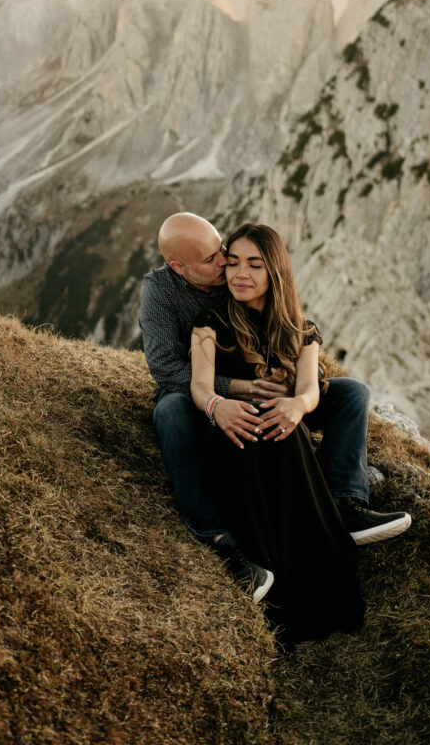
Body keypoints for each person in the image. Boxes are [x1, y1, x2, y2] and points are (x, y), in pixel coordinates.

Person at [139, 212, 410, 603]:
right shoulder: (164, 292)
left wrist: (296, 383)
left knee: (351, 394)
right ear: (179, 268)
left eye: (225, 253)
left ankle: (347, 504)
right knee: (170, 412)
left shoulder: (240, 273)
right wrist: (230, 393)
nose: (227, 266)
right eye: (217, 261)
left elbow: (288, 326)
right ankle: (215, 535)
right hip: (202, 390)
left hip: (270, 383)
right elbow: (166, 367)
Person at [190, 222, 366, 641]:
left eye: (254, 264)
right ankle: (273, 592)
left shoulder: (301, 329)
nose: (240, 274)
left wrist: (295, 406)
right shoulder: (210, 319)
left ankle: (320, 582)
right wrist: (219, 406)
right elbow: (199, 384)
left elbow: (309, 390)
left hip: (281, 428)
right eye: (232, 263)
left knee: (293, 434)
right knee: (271, 435)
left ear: (275, 272)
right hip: (230, 431)